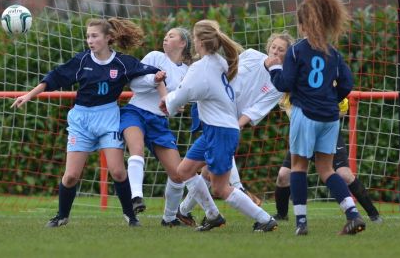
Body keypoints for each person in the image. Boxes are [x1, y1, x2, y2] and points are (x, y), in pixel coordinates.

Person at [11, 17, 162, 228]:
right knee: (71, 176)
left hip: (109, 118)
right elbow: (54, 77)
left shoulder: (123, 62)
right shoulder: (82, 60)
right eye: (88, 36)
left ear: (108, 38)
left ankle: (131, 216)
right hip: (82, 120)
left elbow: (154, 73)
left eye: (94, 36)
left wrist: (167, 93)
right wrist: (29, 95)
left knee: (118, 171)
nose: (90, 40)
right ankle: (61, 216)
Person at [160, 19, 277, 232]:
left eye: (194, 37)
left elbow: (182, 95)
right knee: (184, 170)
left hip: (221, 132)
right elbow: (194, 91)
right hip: (215, 129)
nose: (193, 41)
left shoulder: (201, 67)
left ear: (199, 41)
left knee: (220, 187)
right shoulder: (218, 62)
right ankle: (213, 215)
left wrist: (166, 99)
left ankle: (265, 219)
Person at [265, 0, 365, 235]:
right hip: (329, 117)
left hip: (305, 114)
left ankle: (300, 223)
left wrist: (274, 69)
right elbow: (347, 85)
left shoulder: (297, 50)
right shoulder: (334, 54)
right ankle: (352, 214)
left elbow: (285, 84)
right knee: (327, 169)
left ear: (303, 24)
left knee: (298, 167)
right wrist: (329, 99)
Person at [176, 32, 295, 226]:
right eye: (274, 47)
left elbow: (256, 110)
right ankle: (189, 212)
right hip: (213, 115)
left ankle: (261, 217)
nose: (275, 51)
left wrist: (236, 124)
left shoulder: (279, 82)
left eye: (281, 50)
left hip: (225, 125)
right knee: (197, 171)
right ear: (268, 46)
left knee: (214, 181)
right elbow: (226, 73)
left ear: (287, 55)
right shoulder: (250, 55)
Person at [120, 27, 192, 226]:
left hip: (159, 122)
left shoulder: (187, 72)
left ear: (182, 43)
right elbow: (134, 83)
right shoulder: (154, 57)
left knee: (178, 174)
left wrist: (178, 106)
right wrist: (154, 78)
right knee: (136, 149)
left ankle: (169, 219)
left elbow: (174, 106)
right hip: (136, 112)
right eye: (165, 35)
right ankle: (136, 197)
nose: (165, 38)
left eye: (171, 36)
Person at [273, 97, 382, 223]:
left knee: (344, 174)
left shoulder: (328, 85)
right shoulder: (291, 90)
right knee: (283, 175)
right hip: (304, 135)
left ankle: (373, 214)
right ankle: (282, 215)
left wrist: (322, 115)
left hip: (326, 133)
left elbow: (343, 109)